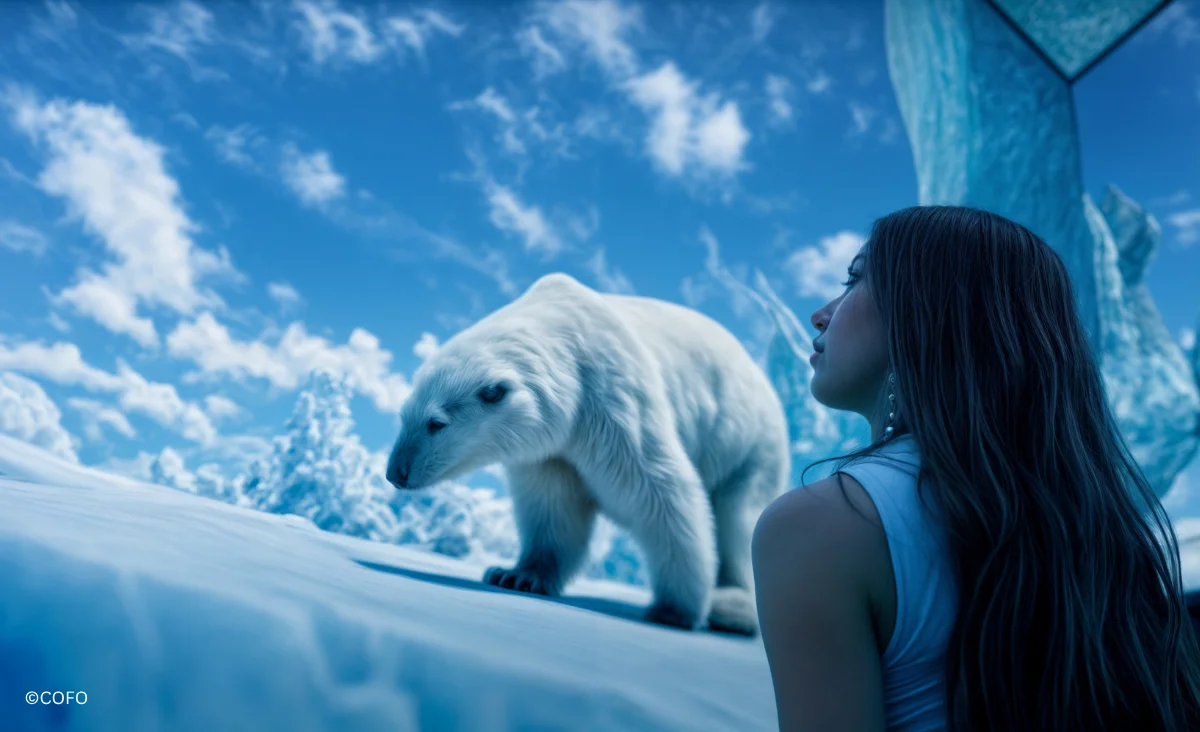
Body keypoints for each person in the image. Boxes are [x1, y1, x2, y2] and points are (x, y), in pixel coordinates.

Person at [750, 205, 1200, 732]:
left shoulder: (819, 526)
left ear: (923, 313)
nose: (821, 313)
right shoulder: (1099, 533)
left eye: (854, 280)